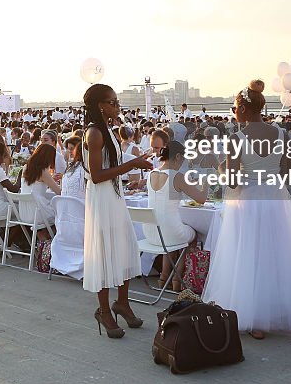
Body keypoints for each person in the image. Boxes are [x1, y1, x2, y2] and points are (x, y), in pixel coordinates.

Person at [203, 81, 291, 337]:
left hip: (248, 200)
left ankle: (254, 318)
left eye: (235, 107)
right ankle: (276, 310)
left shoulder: (236, 138)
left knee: (248, 256)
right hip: (274, 198)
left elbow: (232, 180)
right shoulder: (280, 134)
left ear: (244, 109)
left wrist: (220, 167)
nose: (233, 111)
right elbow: (287, 168)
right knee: (274, 254)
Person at [81, 84, 154, 339]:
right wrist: (132, 164)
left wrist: (134, 161)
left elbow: (110, 167)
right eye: (113, 102)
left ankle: (122, 302)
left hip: (114, 196)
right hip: (102, 198)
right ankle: (103, 310)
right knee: (104, 251)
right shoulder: (94, 134)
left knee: (123, 246)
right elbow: (98, 175)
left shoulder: (108, 131)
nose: (117, 105)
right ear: (101, 106)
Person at [147, 140, 205, 292]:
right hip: (169, 233)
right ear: (178, 156)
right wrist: (205, 182)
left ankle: (163, 277)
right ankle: (177, 279)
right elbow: (201, 199)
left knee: (172, 236)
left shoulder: (152, 173)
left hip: (151, 234)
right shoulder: (176, 176)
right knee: (192, 235)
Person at [19, 144, 60, 231]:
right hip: (37, 213)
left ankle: (42, 238)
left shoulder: (26, 167)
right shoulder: (43, 171)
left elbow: (34, 184)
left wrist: (50, 179)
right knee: (61, 210)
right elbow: (59, 192)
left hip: (24, 212)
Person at [60, 135, 86, 200]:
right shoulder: (71, 165)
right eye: (68, 148)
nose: (69, 151)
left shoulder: (84, 167)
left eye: (71, 148)